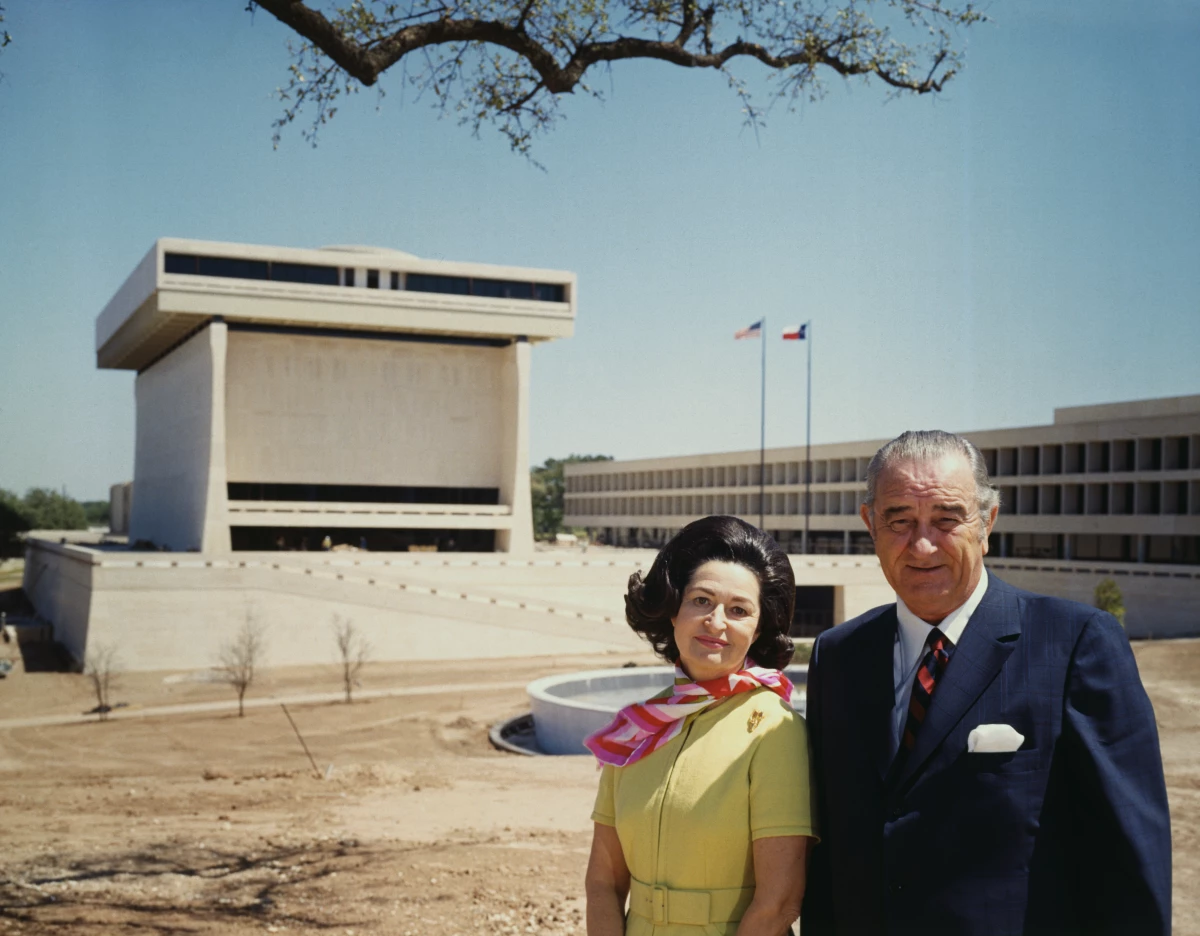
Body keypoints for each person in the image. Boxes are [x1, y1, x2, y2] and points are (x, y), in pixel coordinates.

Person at [801, 430, 1171, 935]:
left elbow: (1128, 862)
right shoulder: (838, 655)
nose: (923, 544)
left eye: (947, 518)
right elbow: (828, 855)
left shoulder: (1074, 645)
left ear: (987, 521)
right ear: (870, 524)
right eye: (899, 520)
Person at [585, 515, 817, 936]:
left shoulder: (775, 731)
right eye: (701, 601)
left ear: (758, 627)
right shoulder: (635, 727)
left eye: (739, 610)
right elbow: (603, 883)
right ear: (673, 610)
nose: (716, 622)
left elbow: (778, 901)